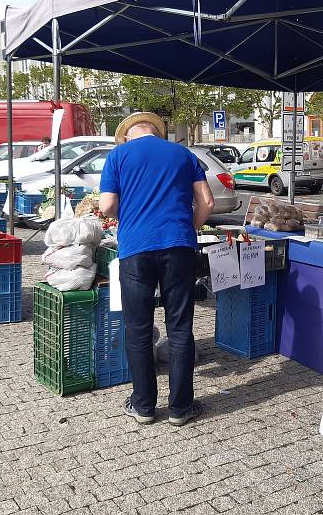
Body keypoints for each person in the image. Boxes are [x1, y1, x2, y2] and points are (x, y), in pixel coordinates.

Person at [99, 112, 215, 427]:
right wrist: (187, 229)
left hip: (136, 249)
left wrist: (132, 217)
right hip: (179, 247)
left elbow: (107, 206)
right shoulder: (183, 153)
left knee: (137, 329)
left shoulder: (118, 156)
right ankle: (180, 408)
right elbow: (207, 202)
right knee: (179, 327)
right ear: (156, 131)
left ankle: (144, 406)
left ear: (126, 135)